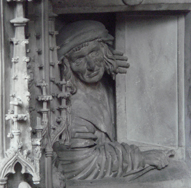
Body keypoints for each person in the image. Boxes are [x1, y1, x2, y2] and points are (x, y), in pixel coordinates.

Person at [53, 20, 173, 180]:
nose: (90, 65)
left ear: (104, 50)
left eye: (94, 53)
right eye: (79, 59)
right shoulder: (73, 108)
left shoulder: (108, 83)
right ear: (67, 65)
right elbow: (80, 165)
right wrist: (140, 158)